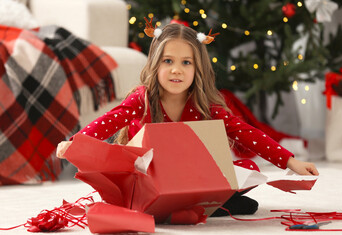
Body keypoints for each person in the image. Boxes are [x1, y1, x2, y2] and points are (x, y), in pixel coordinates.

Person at [56, 19, 319, 216]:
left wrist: (290, 161)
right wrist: (76, 142)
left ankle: (202, 203)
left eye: (186, 63)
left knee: (249, 170)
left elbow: (246, 132)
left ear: (197, 68)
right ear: (155, 64)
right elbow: (109, 121)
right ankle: (207, 205)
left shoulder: (205, 106)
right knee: (120, 176)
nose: (176, 70)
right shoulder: (143, 99)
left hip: (191, 180)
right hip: (151, 179)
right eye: (168, 61)